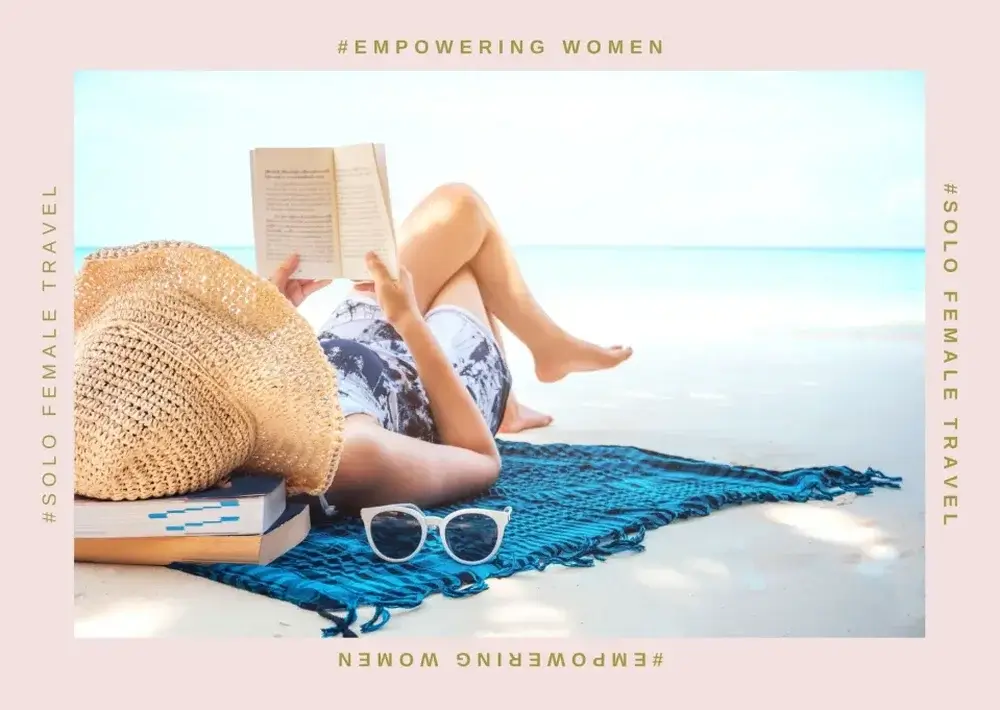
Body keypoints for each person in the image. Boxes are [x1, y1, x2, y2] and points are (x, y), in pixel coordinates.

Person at [269, 183, 633, 510]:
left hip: (356, 333)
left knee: (460, 211)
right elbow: (481, 461)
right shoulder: (354, 453)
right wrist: (409, 321)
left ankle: (544, 357)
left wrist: (274, 322)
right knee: (465, 260)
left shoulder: (245, 408)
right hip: (444, 389)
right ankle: (527, 380)